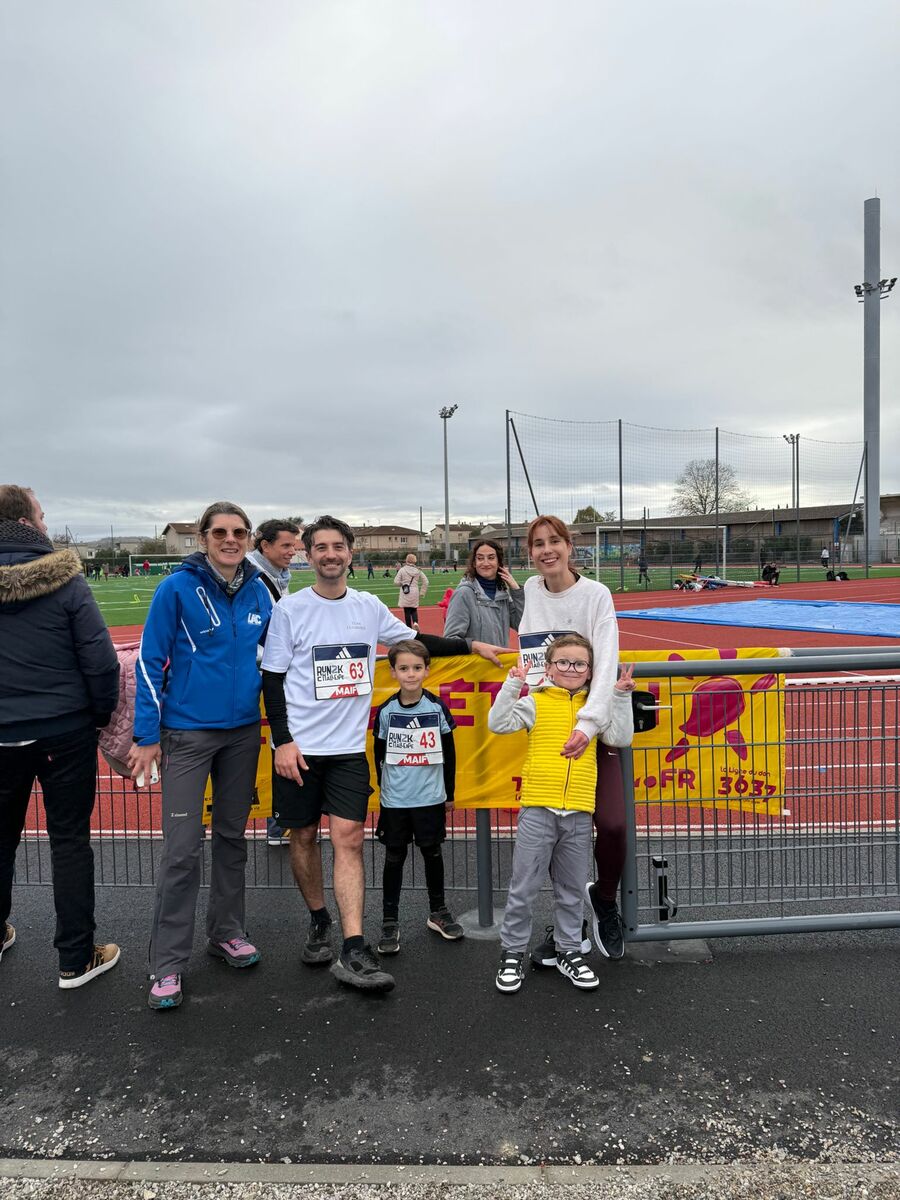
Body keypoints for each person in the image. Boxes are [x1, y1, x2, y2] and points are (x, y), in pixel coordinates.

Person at [260, 515, 508, 994]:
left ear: (350, 553)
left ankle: (354, 946)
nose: (330, 555)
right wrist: (283, 741)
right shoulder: (290, 610)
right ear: (308, 555)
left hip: (348, 750)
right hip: (300, 750)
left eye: (338, 546)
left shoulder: (368, 606)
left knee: (349, 840)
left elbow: (416, 643)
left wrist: (470, 643)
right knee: (303, 836)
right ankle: (319, 919)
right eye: (321, 547)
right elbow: (272, 679)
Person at [130, 501, 274, 1011]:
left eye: (239, 532)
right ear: (203, 537)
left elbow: (280, 658)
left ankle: (227, 931)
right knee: (182, 849)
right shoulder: (175, 588)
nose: (231, 540)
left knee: (233, 838)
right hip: (187, 734)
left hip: (242, 734)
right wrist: (146, 734)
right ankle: (168, 963)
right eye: (220, 533)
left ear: (249, 538)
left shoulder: (260, 590)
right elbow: (149, 661)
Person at [0, 484, 121, 988]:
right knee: (69, 840)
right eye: (42, 516)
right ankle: (75, 956)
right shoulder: (66, 580)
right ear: (26, 522)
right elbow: (100, 660)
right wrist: (99, 715)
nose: (47, 525)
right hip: (63, 729)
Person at [489, 635, 635, 994]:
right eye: (564, 662)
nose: (571, 669)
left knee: (570, 890)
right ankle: (512, 953)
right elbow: (498, 722)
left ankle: (569, 951)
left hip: (579, 812)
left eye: (580, 663)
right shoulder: (535, 702)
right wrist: (512, 685)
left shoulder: (594, 708)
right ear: (549, 667)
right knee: (523, 888)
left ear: (590, 671)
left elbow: (621, 737)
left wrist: (619, 697)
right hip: (538, 808)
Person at [518, 515, 627, 961]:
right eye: (538, 544)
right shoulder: (530, 590)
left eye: (554, 541)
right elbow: (534, 661)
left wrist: (587, 724)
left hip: (592, 731)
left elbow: (606, 663)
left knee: (613, 823)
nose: (547, 550)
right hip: (549, 731)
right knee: (555, 833)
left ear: (569, 546)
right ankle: (570, 928)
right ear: (530, 553)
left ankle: (604, 899)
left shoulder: (596, 595)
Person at [372, 640, 462, 955]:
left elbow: (450, 754)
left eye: (417, 668)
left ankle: (438, 911)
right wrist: (386, 792)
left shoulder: (436, 708)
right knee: (394, 857)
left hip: (430, 798)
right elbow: (379, 756)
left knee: (432, 853)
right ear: (393, 672)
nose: (410, 674)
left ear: (426, 670)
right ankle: (389, 920)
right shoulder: (386, 711)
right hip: (396, 801)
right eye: (404, 668)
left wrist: (449, 794)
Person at [248, 519, 301, 846]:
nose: (293, 551)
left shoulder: (275, 576)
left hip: (267, 670)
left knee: (276, 744)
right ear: (265, 546)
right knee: (273, 745)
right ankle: (279, 824)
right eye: (286, 545)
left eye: (294, 545)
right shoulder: (252, 578)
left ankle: (281, 823)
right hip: (259, 675)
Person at [443, 539, 524, 645]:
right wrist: (477, 648)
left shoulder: (503, 594)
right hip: (476, 657)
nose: (485, 563)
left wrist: (516, 590)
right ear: (474, 563)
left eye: (491, 558)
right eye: (480, 558)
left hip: (501, 656)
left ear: (499, 562)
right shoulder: (464, 593)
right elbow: (451, 640)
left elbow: (522, 626)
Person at [394, 554, 428, 628]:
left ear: (407, 560)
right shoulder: (418, 570)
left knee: (407, 611)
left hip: (405, 591)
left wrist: (402, 584)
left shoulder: (402, 570)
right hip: (415, 591)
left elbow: (396, 582)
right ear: (414, 561)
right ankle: (415, 623)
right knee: (414, 609)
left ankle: (409, 628)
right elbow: (426, 581)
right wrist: (422, 592)